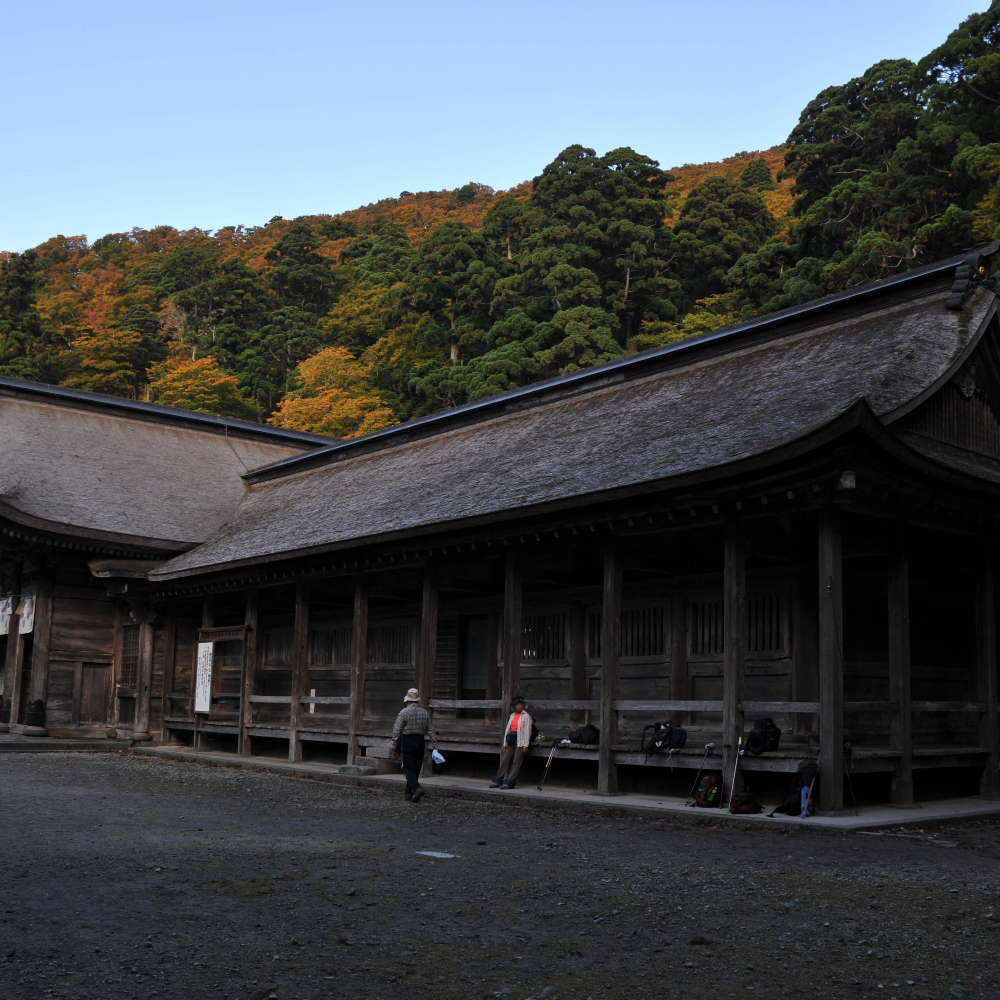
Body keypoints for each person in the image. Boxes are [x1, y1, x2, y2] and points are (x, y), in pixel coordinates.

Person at [390, 688, 438, 803]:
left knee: (407, 767)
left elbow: (397, 729)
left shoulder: (404, 712)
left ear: (407, 701)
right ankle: (408, 792)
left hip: (408, 740)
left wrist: (394, 743)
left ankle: (416, 788)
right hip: (420, 741)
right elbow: (431, 729)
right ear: (416, 700)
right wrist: (435, 743)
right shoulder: (424, 712)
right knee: (416, 767)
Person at [490, 694, 532, 789]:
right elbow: (507, 729)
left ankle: (510, 782)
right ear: (515, 706)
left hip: (520, 740)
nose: (520, 706)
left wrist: (526, 745)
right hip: (511, 739)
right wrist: (505, 743)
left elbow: (527, 731)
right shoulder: (512, 715)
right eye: (518, 704)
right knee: (505, 760)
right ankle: (498, 780)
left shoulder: (526, 716)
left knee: (516, 761)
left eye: (521, 704)